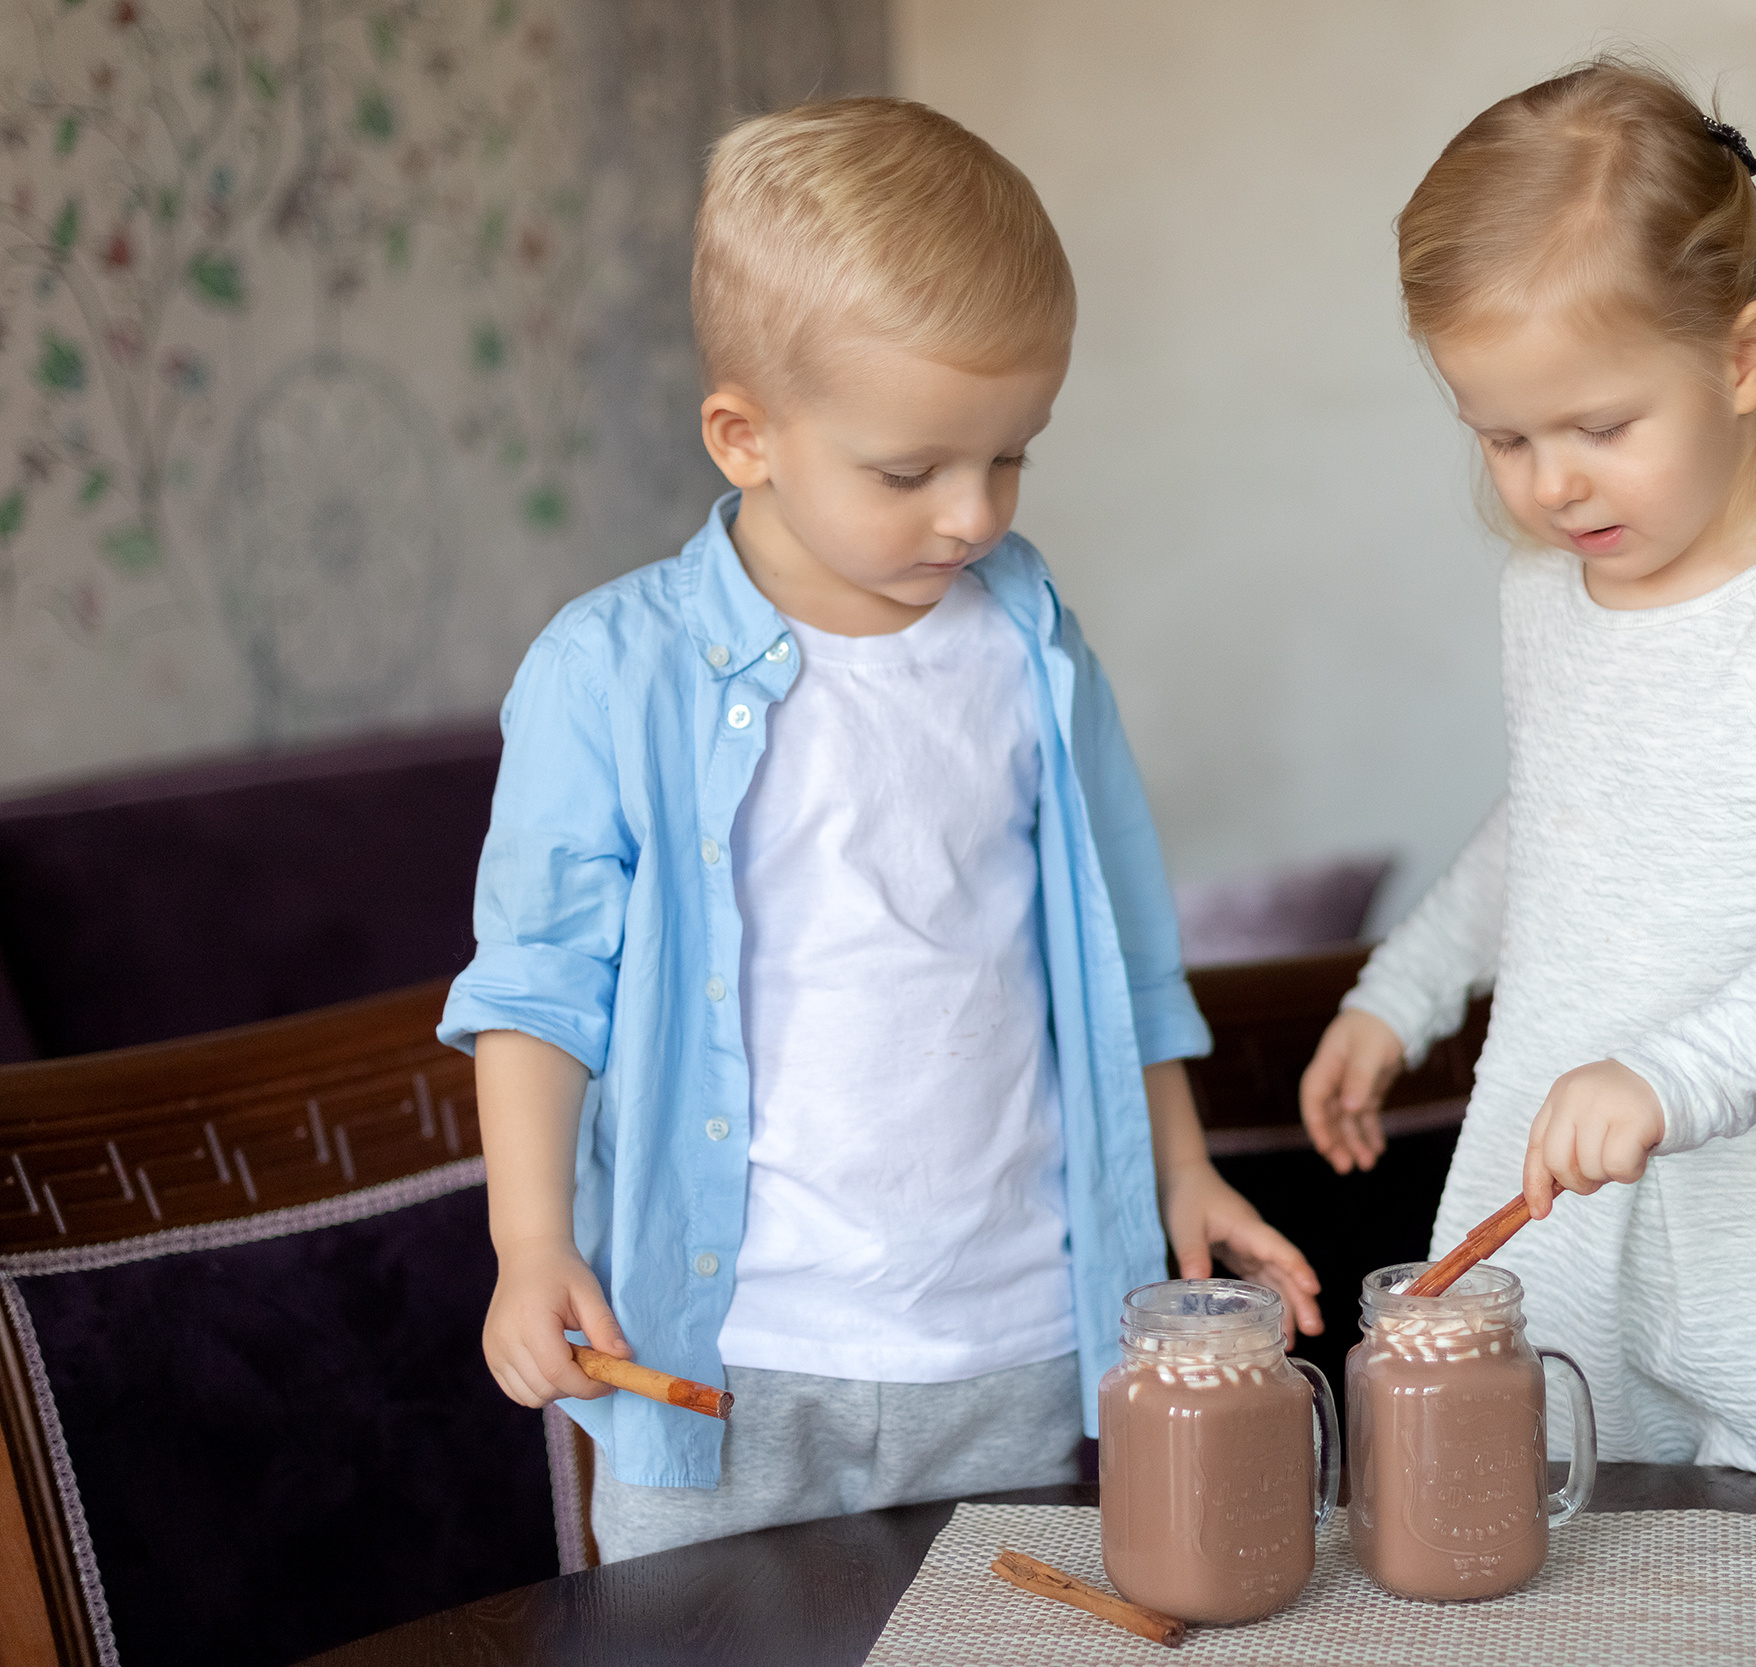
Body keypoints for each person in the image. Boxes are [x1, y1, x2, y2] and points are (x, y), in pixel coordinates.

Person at [441, 97, 1320, 1561]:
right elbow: (538, 989)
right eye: (909, 472)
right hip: (724, 1362)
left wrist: (1178, 1168)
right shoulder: (608, 674)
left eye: (1013, 456)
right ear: (746, 438)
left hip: (1017, 1345)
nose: (973, 515)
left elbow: (1117, 942)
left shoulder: (1029, 639)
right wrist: (528, 1245)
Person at [1299, 59, 1756, 1489]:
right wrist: (1403, 990)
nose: (1551, 485)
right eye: (1502, 437)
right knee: (1546, 1533)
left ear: (1742, 359)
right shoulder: (1545, 600)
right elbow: (1558, 831)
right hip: (1559, 1185)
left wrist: (1680, 1073)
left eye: (1600, 429)